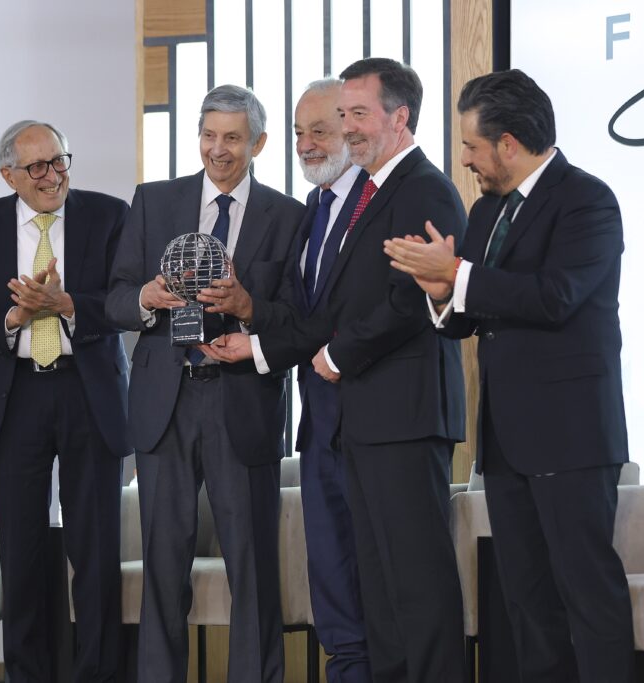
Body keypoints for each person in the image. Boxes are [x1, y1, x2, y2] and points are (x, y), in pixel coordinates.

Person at [203, 59, 467, 683]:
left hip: (401, 416)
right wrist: (255, 343)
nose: (337, 134)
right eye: (331, 121)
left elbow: (410, 299)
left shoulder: (422, 189)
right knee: (367, 587)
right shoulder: (338, 203)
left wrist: (340, 353)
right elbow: (319, 313)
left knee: (415, 585)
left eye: (351, 117)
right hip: (346, 420)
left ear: (399, 118)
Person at [384, 68, 635, 683]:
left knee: (587, 595)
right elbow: (468, 317)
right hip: (505, 441)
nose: (464, 160)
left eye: (471, 146)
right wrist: (440, 292)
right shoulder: (488, 209)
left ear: (509, 143)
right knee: (527, 601)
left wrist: (457, 275)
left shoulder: (587, 199)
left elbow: (556, 297)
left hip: (571, 437)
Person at [105, 84, 305, 683]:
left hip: (242, 399)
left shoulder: (288, 216)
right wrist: (146, 296)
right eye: (209, 135)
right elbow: (115, 299)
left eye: (233, 138)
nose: (218, 149)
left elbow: (298, 319)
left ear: (258, 144)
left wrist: (248, 305)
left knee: (252, 566)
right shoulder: (154, 200)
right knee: (163, 566)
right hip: (164, 401)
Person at [0, 120, 129, 683]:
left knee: (95, 551)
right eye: (38, 167)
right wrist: (13, 316)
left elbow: (127, 300)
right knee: (20, 554)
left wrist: (68, 305)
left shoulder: (109, 215)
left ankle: (98, 675)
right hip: (15, 395)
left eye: (60, 160)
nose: (53, 176)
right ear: (9, 176)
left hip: (88, 390)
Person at [284, 78, 373, 683]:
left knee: (375, 576)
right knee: (332, 576)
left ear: (351, 128)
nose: (306, 145)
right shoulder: (309, 212)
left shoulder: (381, 197)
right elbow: (303, 318)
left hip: (373, 420)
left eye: (319, 130)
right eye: (299, 132)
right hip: (318, 422)